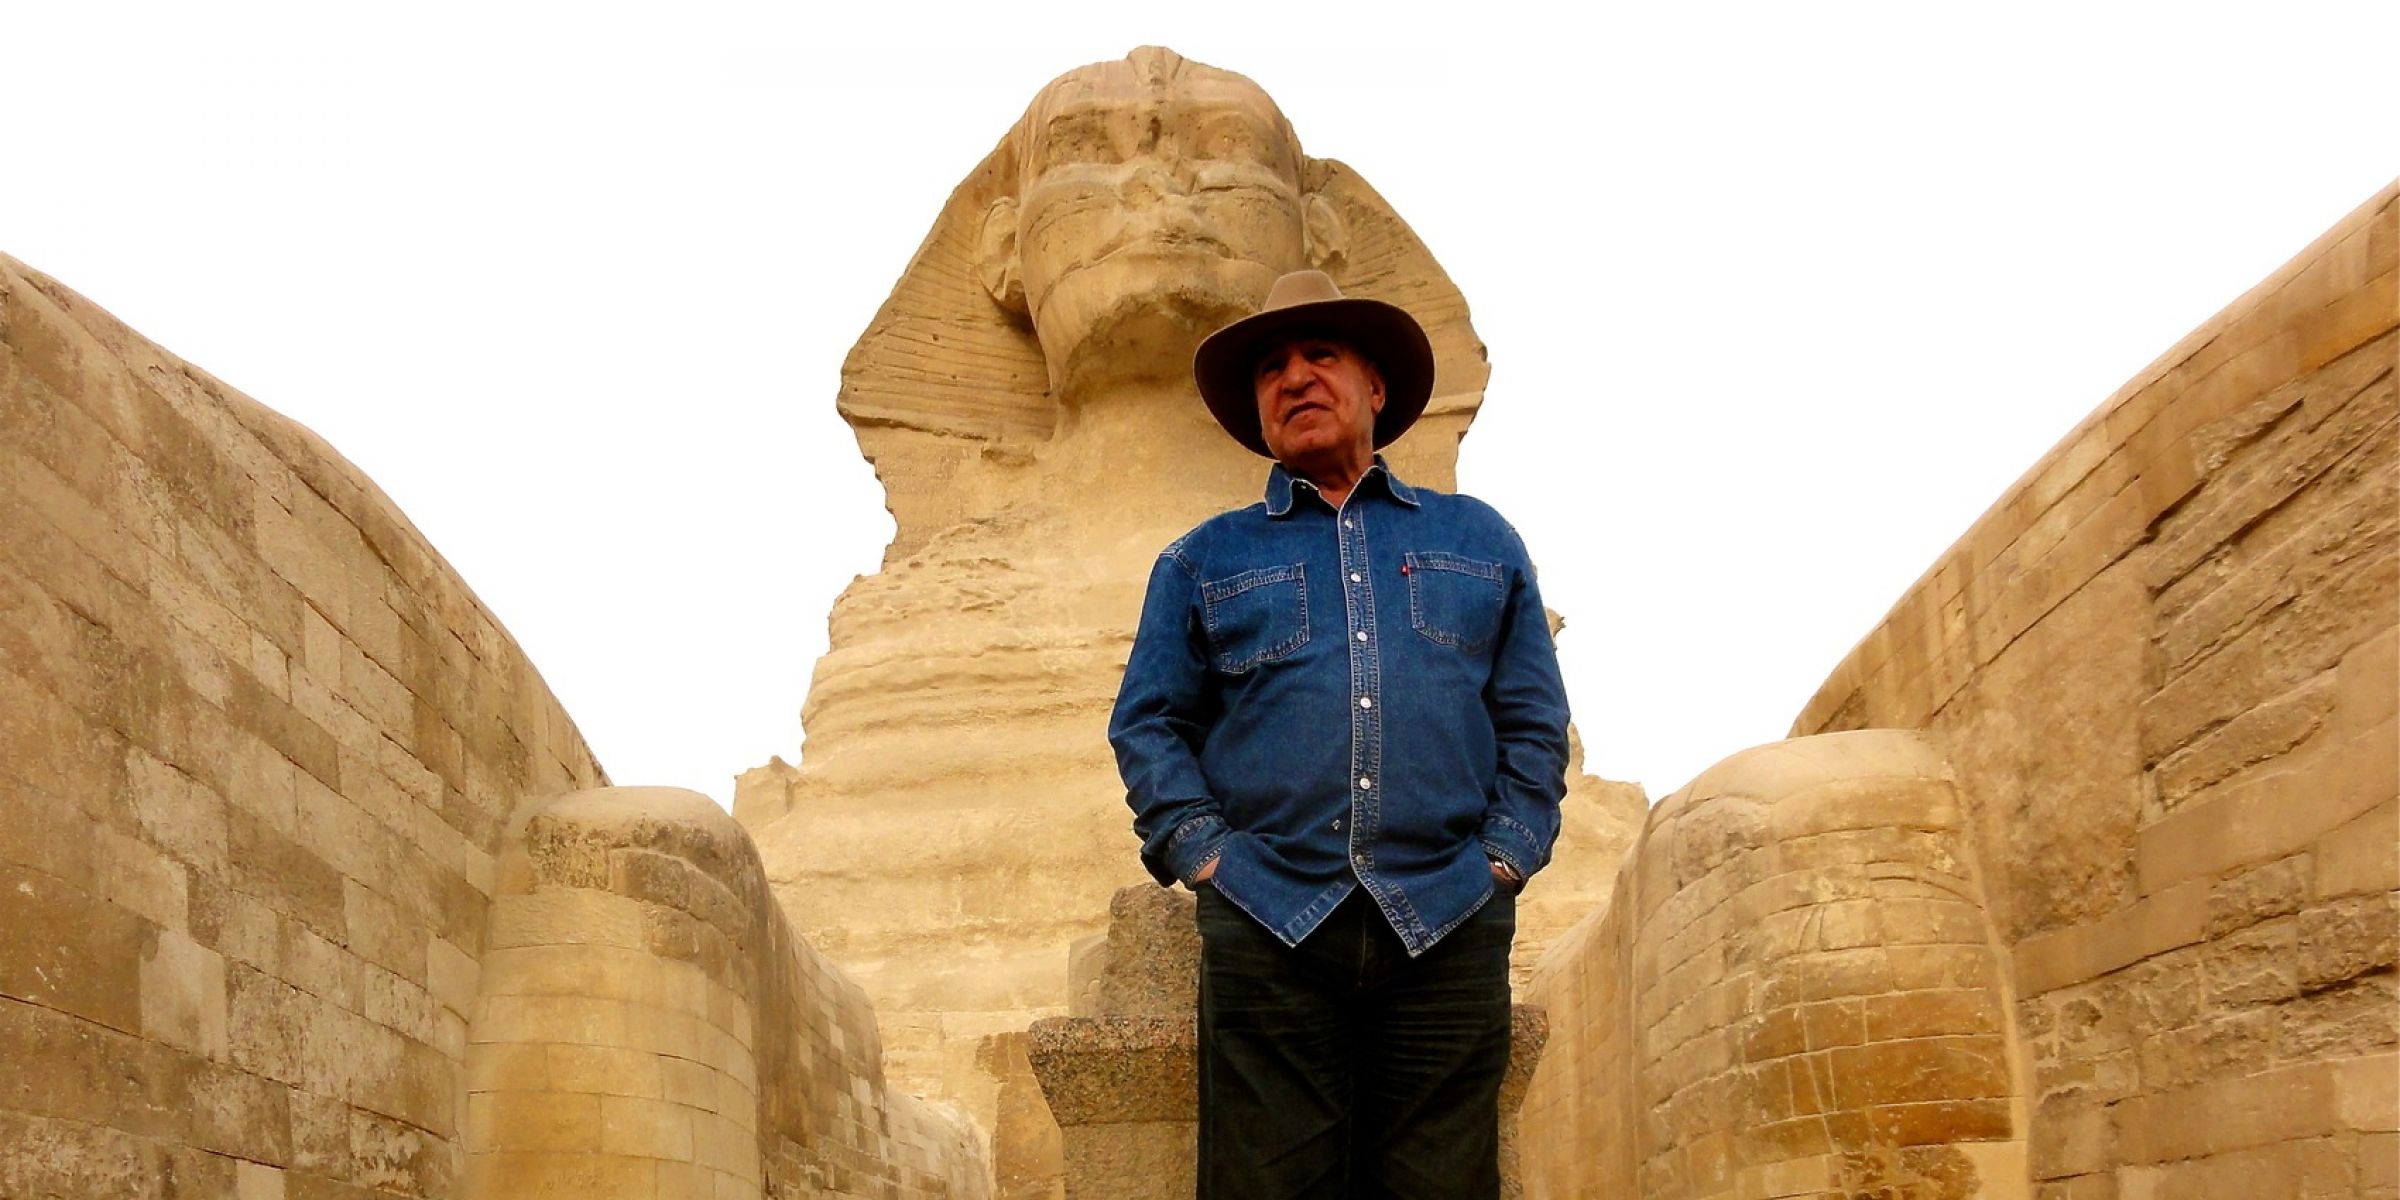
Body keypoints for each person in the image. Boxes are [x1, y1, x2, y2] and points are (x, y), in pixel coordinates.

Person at [1108, 268, 1571, 1198]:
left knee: (1442, 1186)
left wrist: (1505, 857)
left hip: (1448, 915)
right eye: (1271, 367)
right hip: (1269, 919)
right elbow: (1148, 721)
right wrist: (1205, 854)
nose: (1294, 378)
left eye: (1321, 354)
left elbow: (1533, 719)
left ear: (1377, 386)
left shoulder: (1480, 540)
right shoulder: (1201, 558)